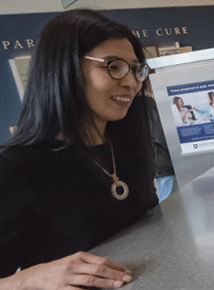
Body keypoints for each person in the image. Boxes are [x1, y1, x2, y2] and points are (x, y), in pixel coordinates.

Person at [0, 9, 158, 289]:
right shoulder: (16, 169)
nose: (131, 82)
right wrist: (30, 278)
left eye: (135, 69)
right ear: (64, 67)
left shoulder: (129, 148)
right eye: (113, 65)